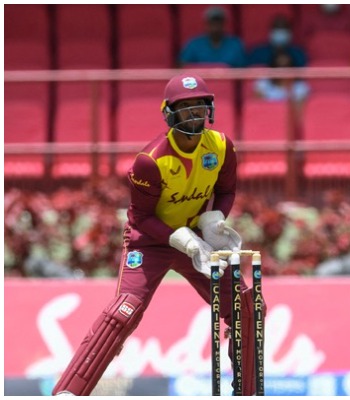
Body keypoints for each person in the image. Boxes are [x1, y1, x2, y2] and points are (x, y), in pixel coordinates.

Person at [52, 73, 264, 396]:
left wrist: (213, 220)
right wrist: (180, 238)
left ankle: (248, 393)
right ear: (170, 113)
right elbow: (140, 217)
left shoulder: (221, 146)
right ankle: (69, 392)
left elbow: (225, 190)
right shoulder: (149, 162)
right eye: (186, 107)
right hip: (150, 242)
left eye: (199, 106)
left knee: (245, 307)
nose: (194, 114)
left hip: (199, 242)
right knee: (124, 311)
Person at [179, 6, 246, 67]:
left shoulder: (235, 44)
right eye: (212, 23)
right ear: (206, 24)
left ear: (224, 24)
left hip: (227, 80)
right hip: (201, 80)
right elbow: (182, 66)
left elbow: (243, 70)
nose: (216, 27)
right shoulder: (194, 44)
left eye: (219, 23)